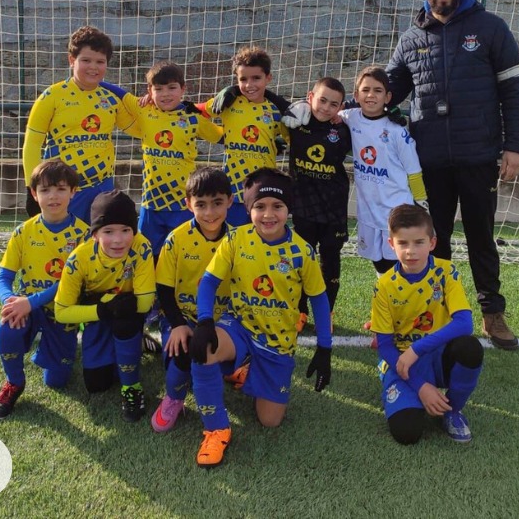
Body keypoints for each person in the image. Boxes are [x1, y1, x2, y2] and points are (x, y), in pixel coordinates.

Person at [385, 0, 519, 350]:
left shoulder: (490, 28)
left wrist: (515, 146)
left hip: (479, 156)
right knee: (435, 239)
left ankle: (492, 313)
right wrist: (338, 109)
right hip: (429, 161)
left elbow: (514, 90)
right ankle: (438, 311)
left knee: (481, 237)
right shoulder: (411, 39)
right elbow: (385, 92)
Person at [188, 168, 332, 469]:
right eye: (259, 206)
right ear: (248, 208)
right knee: (203, 350)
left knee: (270, 421)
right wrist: (204, 321)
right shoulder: (236, 239)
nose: (268, 215)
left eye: (277, 206)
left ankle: (245, 370)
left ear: (288, 209)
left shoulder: (302, 252)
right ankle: (216, 430)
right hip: (239, 325)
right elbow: (209, 282)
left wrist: (324, 348)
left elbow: (319, 299)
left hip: (277, 340)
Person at [370, 204, 484, 444]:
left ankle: (452, 410)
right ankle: (415, 395)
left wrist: (417, 349)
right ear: (391, 244)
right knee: (407, 433)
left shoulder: (446, 272)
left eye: (419, 242)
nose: (410, 251)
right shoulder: (384, 285)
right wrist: (420, 385)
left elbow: (464, 324)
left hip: (435, 355)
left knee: (470, 348)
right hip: (403, 363)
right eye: (403, 243)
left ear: (432, 243)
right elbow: (385, 346)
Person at [0, 159, 89, 419]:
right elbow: (3, 278)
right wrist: (11, 300)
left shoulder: (84, 235)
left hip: (63, 310)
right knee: (7, 325)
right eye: (45, 190)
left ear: (73, 192)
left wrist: (29, 302)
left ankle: (51, 352)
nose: (53, 196)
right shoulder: (23, 232)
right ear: (34, 194)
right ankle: (14, 382)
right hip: (28, 307)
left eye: (61, 189)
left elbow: (70, 283)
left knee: (56, 381)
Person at [54, 190, 155, 421]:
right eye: (108, 231)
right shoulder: (79, 258)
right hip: (98, 312)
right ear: (95, 234)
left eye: (126, 230)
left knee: (126, 322)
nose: (118, 240)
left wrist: (116, 306)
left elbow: (144, 304)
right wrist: (102, 308)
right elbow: (61, 312)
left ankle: (131, 387)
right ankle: (132, 343)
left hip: (128, 311)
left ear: (134, 231)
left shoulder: (142, 246)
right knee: (97, 384)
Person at [22, 25, 136, 225]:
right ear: (71, 60)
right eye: (86, 60)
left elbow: (139, 130)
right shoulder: (51, 97)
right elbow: (32, 144)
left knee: (104, 241)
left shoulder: (111, 99)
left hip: (102, 187)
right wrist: (31, 187)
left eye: (100, 62)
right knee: (66, 241)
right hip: (64, 191)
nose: (93, 67)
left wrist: (151, 108)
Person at [150, 166, 233, 433]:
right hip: (182, 315)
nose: (210, 212)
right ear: (188, 204)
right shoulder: (176, 239)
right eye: (201, 205)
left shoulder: (238, 241)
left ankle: (233, 367)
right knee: (186, 350)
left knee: (220, 352)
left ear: (230, 201)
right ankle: (174, 397)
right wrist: (177, 324)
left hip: (222, 318)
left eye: (217, 203)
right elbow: (164, 289)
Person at [123, 60, 223, 258]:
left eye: (171, 88)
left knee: (182, 255)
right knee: (145, 255)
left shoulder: (193, 118)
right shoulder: (145, 112)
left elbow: (223, 137)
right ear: (149, 91)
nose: (165, 94)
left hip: (182, 203)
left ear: (183, 89)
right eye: (158, 89)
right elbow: (120, 96)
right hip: (152, 203)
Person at [339, 66, 428, 276]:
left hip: (396, 209)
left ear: (387, 97)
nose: (371, 95)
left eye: (378, 90)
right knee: (378, 261)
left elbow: (414, 171)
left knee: (399, 262)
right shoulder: (350, 117)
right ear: (356, 95)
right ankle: (386, 293)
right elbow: (325, 111)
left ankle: (405, 294)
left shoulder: (397, 132)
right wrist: (303, 107)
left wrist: (421, 203)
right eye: (366, 90)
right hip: (368, 210)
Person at [283, 76, 352, 331]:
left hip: (334, 209)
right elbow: (270, 103)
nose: (326, 108)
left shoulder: (343, 130)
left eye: (333, 104)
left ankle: (326, 312)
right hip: (304, 207)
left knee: (330, 261)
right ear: (310, 97)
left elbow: (368, 117)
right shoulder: (296, 121)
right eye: (322, 100)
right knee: (302, 259)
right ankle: (300, 311)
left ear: (340, 107)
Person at [200, 46, 288, 227]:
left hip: (263, 188)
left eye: (256, 78)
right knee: (233, 237)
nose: (249, 85)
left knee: (261, 238)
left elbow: (293, 136)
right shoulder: (228, 101)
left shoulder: (276, 110)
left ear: (268, 78)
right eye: (243, 79)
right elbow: (195, 112)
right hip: (233, 189)